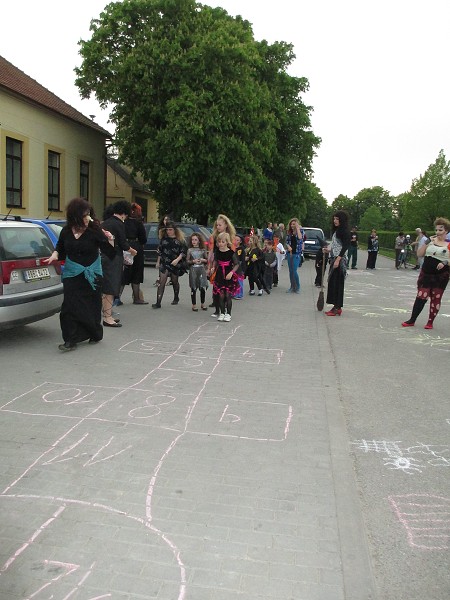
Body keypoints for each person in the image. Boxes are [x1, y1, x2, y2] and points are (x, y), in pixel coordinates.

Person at [44, 198, 117, 351]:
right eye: (84, 215)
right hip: (72, 273)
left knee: (91, 306)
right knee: (69, 307)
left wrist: (111, 239)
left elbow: (109, 252)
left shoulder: (94, 230)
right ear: (75, 216)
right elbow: (60, 249)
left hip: (92, 274)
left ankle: (94, 333)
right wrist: (55, 255)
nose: (87, 218)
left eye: (88, 214)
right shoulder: (66, 231)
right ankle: (70, 340)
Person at [401, 217, 450, 330]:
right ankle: (412, 320)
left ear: (446, 231)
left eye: (440, 230)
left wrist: (445, 262)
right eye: (436, 230)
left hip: (440, 277)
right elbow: (419, 254)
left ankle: (430, 322)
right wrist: (428, 243)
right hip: (426, 274)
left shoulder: (448, 244)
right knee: (421, 296)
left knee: (436, 298)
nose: (437, 232)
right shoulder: (431, 242)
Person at [101, 201, 138, 327]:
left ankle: (107, 314)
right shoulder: (119, 224)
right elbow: (123, 244)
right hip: (113, 257)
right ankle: (107, 317)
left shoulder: (105, 222)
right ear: (124, 213)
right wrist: (133, 251)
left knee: (106, 286)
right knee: (110, 288)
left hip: (103, 256)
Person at [152, 221, 187, 308]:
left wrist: (177, 260)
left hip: (175, 263)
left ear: (175, 230)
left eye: (170, 229)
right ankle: (158, 302)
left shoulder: (180, 240)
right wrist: (158, 262)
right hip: (165, 263)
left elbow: (183, 252)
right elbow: (160, 251)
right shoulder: (164, 240)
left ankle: (176, 297)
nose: (168, 231)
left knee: (175, 281)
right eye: (167, 230)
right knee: (162, 282)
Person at [323, 210, 351, 316]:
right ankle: (336, 306)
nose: (335, 221)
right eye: (334, 218)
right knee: (333, 283)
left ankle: (337, 307)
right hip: (334, 258)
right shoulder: (337, 231)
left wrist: (338, 260)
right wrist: (328, 250)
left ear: (342, 220)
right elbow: (336, 246)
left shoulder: (344, 231)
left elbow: (345, 246)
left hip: (340, 260)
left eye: (337, 219)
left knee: (337, 284)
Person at [120, 202, 148, 304]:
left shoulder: (122, 222)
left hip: (125, 247)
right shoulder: (138, 223)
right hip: (136, 248)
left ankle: (117, 298)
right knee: (137, 273)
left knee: (124, 273)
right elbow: (143, 239)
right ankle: (136, 298)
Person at [208, 214, 236, 316]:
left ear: (226, 225)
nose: (218, 227)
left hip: (227, 266)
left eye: (220, 225)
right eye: (217, 225)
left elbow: (232, 253)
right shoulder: (215, 237)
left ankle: (225, 311)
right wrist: (210, 266)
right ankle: (217, 310)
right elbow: (213, 251)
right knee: (216, 288)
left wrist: (232, 269)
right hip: (218, 263)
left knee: (226, 291)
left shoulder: (230, 237)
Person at [212, 232, 240, 321]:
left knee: (228, 295)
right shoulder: (217, 252)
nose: (220, 244)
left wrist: (231, 272)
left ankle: (228, 314)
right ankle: (222, 312)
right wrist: (213, 267)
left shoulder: (231, 253)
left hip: (228, 274)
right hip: (220, 274)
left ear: (227, 242)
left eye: (223, 242)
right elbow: (216, 261)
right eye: (219, 242)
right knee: (221, 294)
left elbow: (236, 264)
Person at [186, 233, 208, 311]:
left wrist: (202, 260)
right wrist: (193, 261)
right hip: (193, 270)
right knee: (193, 287)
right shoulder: (189, 250)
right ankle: (194, 304)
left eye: (195, 240)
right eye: (192, 239)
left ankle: (203, 303)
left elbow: (207, 260)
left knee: (202, 287)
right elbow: (187, 261)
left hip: (201, 269)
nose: (194, 241)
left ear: (199, 241)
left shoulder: (203, 250)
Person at [285, 218, 304, 293]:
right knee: (290, 271)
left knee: (294, 270)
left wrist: (298, 228)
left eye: (294, 224)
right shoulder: (289, 232)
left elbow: (300, 238)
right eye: (291, 224)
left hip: (297, 254)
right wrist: (288, 246)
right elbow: (286, 241)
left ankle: (297, 287)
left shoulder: (301, 231)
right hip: (290, 253)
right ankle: (292, 286)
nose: (292, 226)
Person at [154, 214, 173, 285]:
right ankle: (160, 278)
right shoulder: (161, 229)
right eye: (165, 220)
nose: (166, 221)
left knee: (171, 263)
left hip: (171, 248)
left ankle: (171, 278)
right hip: (164, 247)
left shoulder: (172, 228)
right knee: (163, 262)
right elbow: (160, 239)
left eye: (167, 220)